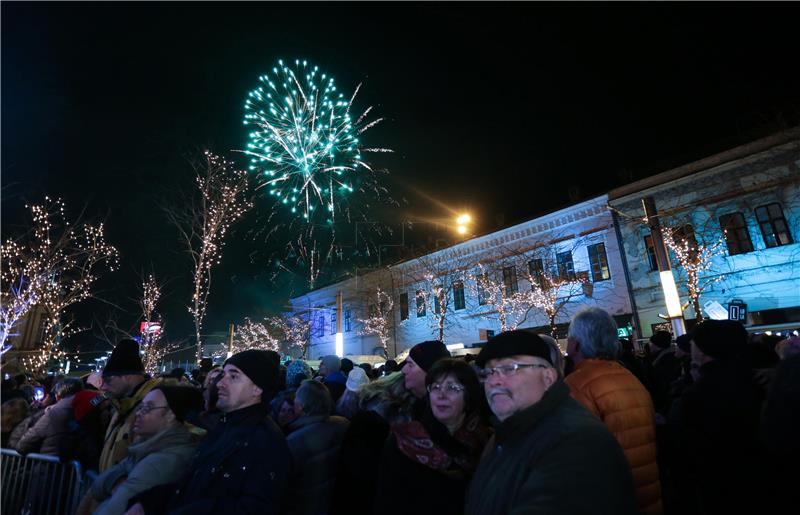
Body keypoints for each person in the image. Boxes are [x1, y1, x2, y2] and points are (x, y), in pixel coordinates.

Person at [465, 330, 637, 515]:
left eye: (509, 369)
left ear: (548, 377)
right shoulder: (506, 435)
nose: (494, 381)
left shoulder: (577, 442)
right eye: (489, 372)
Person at [129, 349, 290, 514]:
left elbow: (255, 508)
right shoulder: (224, 427)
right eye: (224, 375)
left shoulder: (265, 442)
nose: (220, 383)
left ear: (257, 388)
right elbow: (194, 485)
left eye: (233, 376)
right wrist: (147, 502)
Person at [565, 308, 662, 515]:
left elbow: (574, 455)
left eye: (569, 336)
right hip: (647, 495)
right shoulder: (627, 375)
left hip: (608, 499)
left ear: (576, 343)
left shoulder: (577, 384)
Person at [667, 320, 764, 515]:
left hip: (717, 486)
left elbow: (684, 451)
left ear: (703, 350)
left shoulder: (699, 395)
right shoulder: (760, 379)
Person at [375, 359, 490, 515]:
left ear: (469, 395)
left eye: (452, 387)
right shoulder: (403, 442)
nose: (441, 395)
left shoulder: (485, 443)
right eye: (435, 387)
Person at [87, 385, 204, 515]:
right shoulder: (144, 447)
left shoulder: (163, 462)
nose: (138, 413)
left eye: (147, 408)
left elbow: (115, 509)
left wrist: (113, 483)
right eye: (140, 407)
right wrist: (115, 481)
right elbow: (96, 487)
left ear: (171, 415)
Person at [284, 380, 349, 515]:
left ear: (301, 406)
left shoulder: (295, 440)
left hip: (303, 505)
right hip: (333, 501)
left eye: (296, 397)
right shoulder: (342, 424)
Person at [99, 339, 163, 472]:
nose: (103, 387)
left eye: (108, 380)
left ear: (128, 376)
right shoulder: (121, 405)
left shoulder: (153, 408)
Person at [17, 377, 84, 455]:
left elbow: (23, 444)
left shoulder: (54, 414)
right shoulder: (88, 408)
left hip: (48, 462)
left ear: (58, 396)